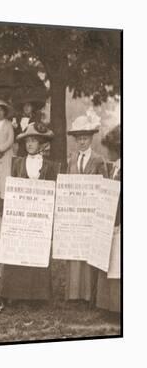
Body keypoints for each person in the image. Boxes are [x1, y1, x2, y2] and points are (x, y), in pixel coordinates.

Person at [0, 122, 60, 311]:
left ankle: (37, 296)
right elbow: (11, 189)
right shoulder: (16, 163)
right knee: (17, 253)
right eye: (28, 141)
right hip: (20, 217)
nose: (31, 144)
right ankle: (13, 295)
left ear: (42, 144)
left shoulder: (51, 166)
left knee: (37, 252)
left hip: (40, 218)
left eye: (35, 141)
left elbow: (54, 193)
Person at [65, 115, 108, 304]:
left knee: (89, 251)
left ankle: (89, 294)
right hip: (75, 212)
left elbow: (105, 186)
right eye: (79, 138)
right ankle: (74, 293)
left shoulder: (99, 160)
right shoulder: (72, 159)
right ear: (75, 140)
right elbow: (67, 183)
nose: (82, 141)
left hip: (91, 213)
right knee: (74, 250)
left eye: (85, 138)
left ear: (91, 139)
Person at [96, 124, 121, 314]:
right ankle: (107, 305)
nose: (108, 152)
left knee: (117, 263)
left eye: (110, 149)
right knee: (108, 260)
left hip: (119, 221)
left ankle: (117, 306)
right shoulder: (115, 167)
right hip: (111, 220)